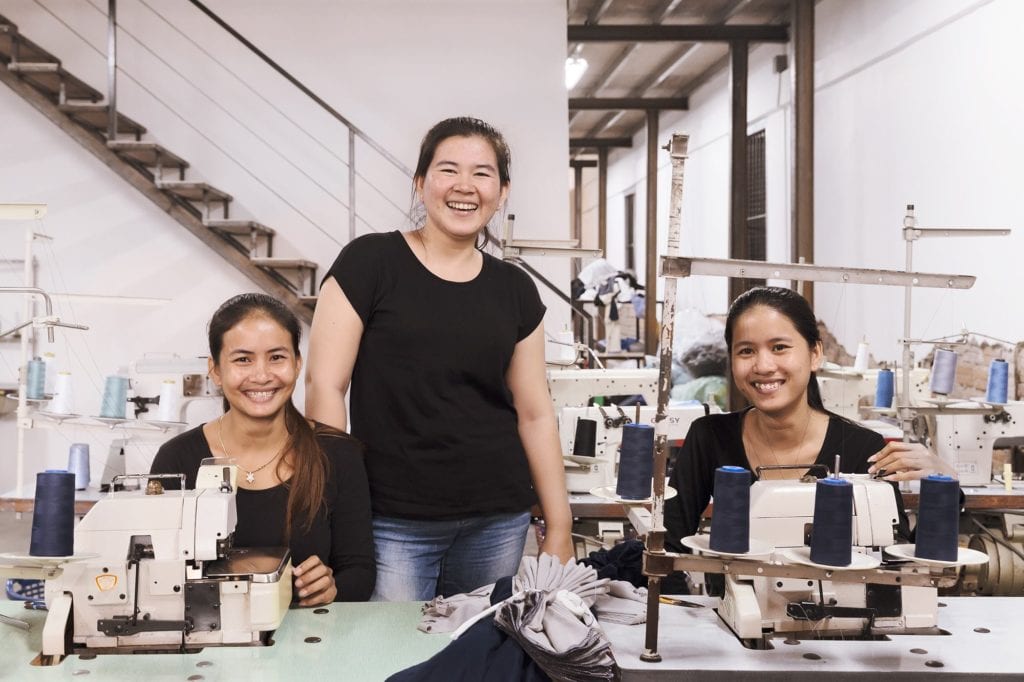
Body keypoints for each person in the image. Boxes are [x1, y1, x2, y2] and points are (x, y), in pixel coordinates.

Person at [305, 116, 573, 601]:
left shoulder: (514, 289)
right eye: (448, 170)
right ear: (420, 182)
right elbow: (325, 387)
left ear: (503, 189)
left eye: (482, 173)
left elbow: (535, 414)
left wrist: (560, 523)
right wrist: (335, 511)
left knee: (475, 659)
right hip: (392, 521)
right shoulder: (370, 263)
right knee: (393, 666)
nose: (464, 187)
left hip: (497, 518)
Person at [665, 286, 955, 551]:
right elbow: (669, 547)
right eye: (746, 351)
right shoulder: (710, 437)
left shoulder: (862, 449)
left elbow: (894, 561)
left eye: (779, 347)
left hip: (838, 607)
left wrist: (944, 486)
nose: (763, 365)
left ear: (815, 354)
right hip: (730, 606)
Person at [151, 293, 375, 605]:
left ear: (297, 364)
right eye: (243, 359)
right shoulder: (176, 459)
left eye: (277, 357)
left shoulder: (338, 455)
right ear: (214, 370)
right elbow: (156, 573)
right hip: (208, 641)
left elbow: (359, 571)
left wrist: (331, 587)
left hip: (308, 642)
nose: (261, 375)